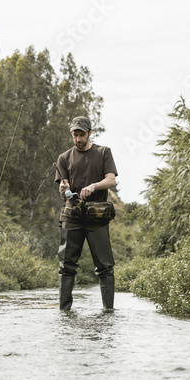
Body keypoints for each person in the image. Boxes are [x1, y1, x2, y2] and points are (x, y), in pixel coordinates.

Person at [54, 115, 118, 311]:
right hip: (71, 216)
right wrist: (65, 188)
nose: (78, 139)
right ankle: (64, 312)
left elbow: (111, 180)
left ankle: (108, 311)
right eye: (75, 135)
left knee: (105, 267)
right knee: (66, 267)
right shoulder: (64, 158)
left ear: (90, 133)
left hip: (97, 218)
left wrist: (93, 186)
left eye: (82, 135)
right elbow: (62, 188)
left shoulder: (103, 152)